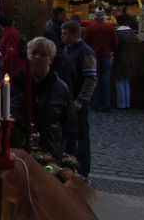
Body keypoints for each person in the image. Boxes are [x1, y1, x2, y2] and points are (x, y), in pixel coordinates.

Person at [10, 37, 75, 162]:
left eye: (43, 54)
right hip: (18, 150)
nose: (37, 57)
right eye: (34, 53)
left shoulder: (60, 89)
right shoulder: (16, 83)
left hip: (49, 152)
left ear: (50, 59)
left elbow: (69, 124)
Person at [61, 20, 98, 179]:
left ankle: (83, 171)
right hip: (69, 100)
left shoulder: (85, 52)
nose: (62, 37)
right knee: (69, 135)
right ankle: (69, 167)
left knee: (82, 136)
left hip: (78, 102)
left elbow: (90, 79)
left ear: (74, 34)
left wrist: (80, 100)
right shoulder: (68, 49)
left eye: (65, 34)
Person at [84, 7, 118, 112]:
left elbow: (85, 43)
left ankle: (95, 104)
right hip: (106, 56)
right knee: (106, 80)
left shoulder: (90, 28)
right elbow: (115, 43)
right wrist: (110, 50)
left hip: (94, 57)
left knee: (94, 80)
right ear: (104, 17)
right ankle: (106, 104)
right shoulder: (110, 28)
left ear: (95, 16)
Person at [113, 16, 135, 110]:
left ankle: (121, 104)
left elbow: (114, 46)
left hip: (119, 59)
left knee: (119, 81)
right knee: (126, 81)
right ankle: (127, 103)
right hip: (130, 58)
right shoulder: (132, 32)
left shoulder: (117, 32)